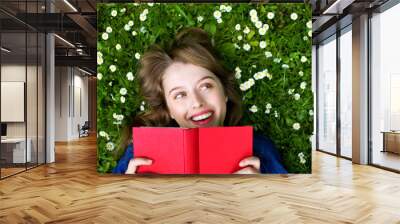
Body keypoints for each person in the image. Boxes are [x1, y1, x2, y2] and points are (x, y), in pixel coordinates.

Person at [113, 28, 287, 174]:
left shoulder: (261, 150)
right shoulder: (138, 155)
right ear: (169, 109)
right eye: (180, 95)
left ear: (225, 92)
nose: (196, 102)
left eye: (205, 86)